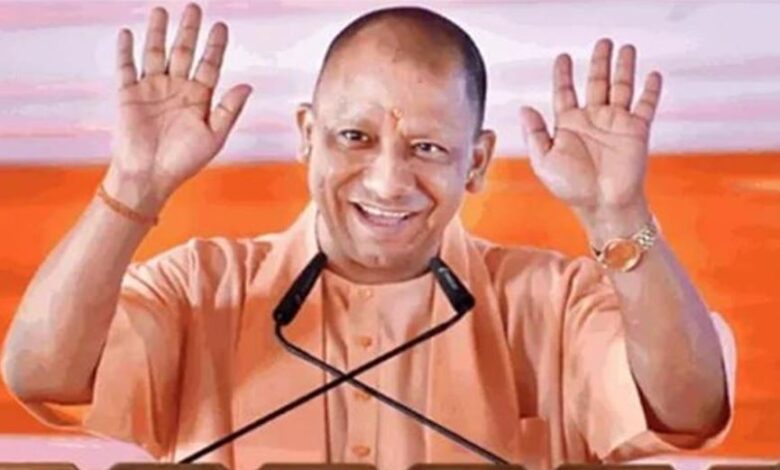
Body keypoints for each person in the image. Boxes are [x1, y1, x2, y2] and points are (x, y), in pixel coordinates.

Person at [1, 3, 735, 470]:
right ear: (306, 135)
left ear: (477, 162)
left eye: (427, 148)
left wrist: (616, 215)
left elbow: (689, 411)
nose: (387, 182)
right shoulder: (201, 287)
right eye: (355, 137)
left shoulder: (553, 300)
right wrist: (134, 186)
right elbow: (41, 374)